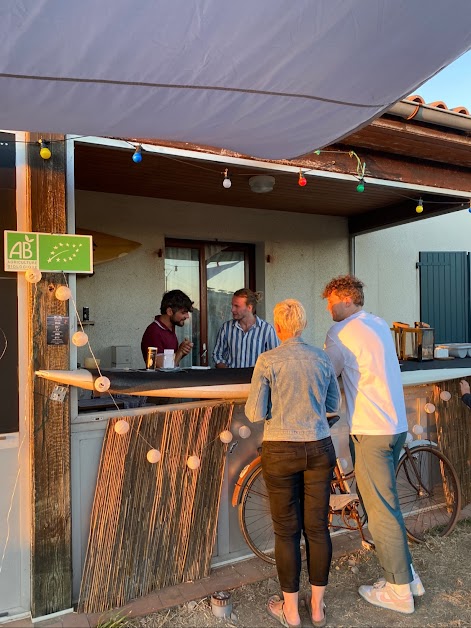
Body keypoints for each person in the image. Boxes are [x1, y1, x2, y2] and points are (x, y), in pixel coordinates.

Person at [322, 274, 424, 615]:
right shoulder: (378, 324)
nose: (328, 309)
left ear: (346, 300)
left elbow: (326, 375)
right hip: (395, 427)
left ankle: (398, 592)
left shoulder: (341, 332)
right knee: (386, 505)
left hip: (371, 430)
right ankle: (407, 577)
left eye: (331, 302)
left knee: (381, 512)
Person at [245, 299, 341, 628]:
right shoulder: (321, 358)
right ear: (302, 324)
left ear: (278, 327)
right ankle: (316, 608)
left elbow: (256, 413)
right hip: (318, 447)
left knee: (287, 532)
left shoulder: (268, 360)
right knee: (317, 528)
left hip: (281, 449)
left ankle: (290, 611)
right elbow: (332, 403)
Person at [213, 288, 279, 368]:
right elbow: (217, 355)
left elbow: (275, 360)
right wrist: (227, 372)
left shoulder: (267, 330)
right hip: (231, 379)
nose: (232, 309)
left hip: (257, 379)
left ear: (249, 308)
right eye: (232, 305)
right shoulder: (226, 328)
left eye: (236, 306)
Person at [141, 290, 194, 366]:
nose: (187, 316)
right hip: (159, 378)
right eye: (183, 313)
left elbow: (171, 363)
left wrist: (182, 352)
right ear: (169, 311)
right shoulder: (153, 332)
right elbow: (161, 366)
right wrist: (180, 351)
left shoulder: (169, 329)